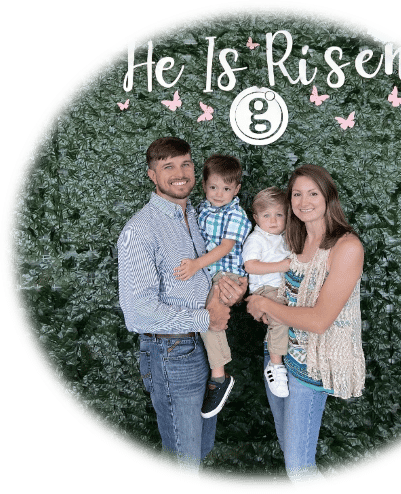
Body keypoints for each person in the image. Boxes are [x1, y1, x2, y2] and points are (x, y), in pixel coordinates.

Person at [117, 137, 247, 484]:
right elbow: (137, 311)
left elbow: (205, 279)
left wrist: (234, 289)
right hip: (172, 353)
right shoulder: (140, 230)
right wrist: (207, 318)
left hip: (202, 348)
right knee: (183, 461)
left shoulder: (195, 214)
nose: (180, 173)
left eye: (186, 164)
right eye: (168, 166)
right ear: (151, 175)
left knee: (199, 452)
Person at [246, 164, 365, 491]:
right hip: (280, 360)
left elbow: (319, 320)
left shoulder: (347, 247)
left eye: (313, 193)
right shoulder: (291, 240)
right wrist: (261, 308)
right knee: (289, 453)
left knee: (299, 467)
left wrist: (266, 306)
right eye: (296, 194)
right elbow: (277, 293)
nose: (303, 200)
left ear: (329, 196)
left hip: (313, 366)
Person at [174, 154, 252, 418]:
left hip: (227, 275)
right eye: (213, 187)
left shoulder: (236, 214)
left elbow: (225, 248)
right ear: (204, 185)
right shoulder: (202, 209)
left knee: (209, 316)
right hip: (208, 275)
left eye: (227, 189)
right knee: (199, 313)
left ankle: (219, 377)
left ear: (237, 189)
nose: (219, 194)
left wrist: (195, 265)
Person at [242, 187, 291, 398]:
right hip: (264, 289)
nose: (273, 220)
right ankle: (275, 365)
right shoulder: (257, 239)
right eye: (266, 215)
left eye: (279, 215)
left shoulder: (283, 237)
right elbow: (250, 266)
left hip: (281, 288)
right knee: (279, 316)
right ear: (256, 217)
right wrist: (282, 266)